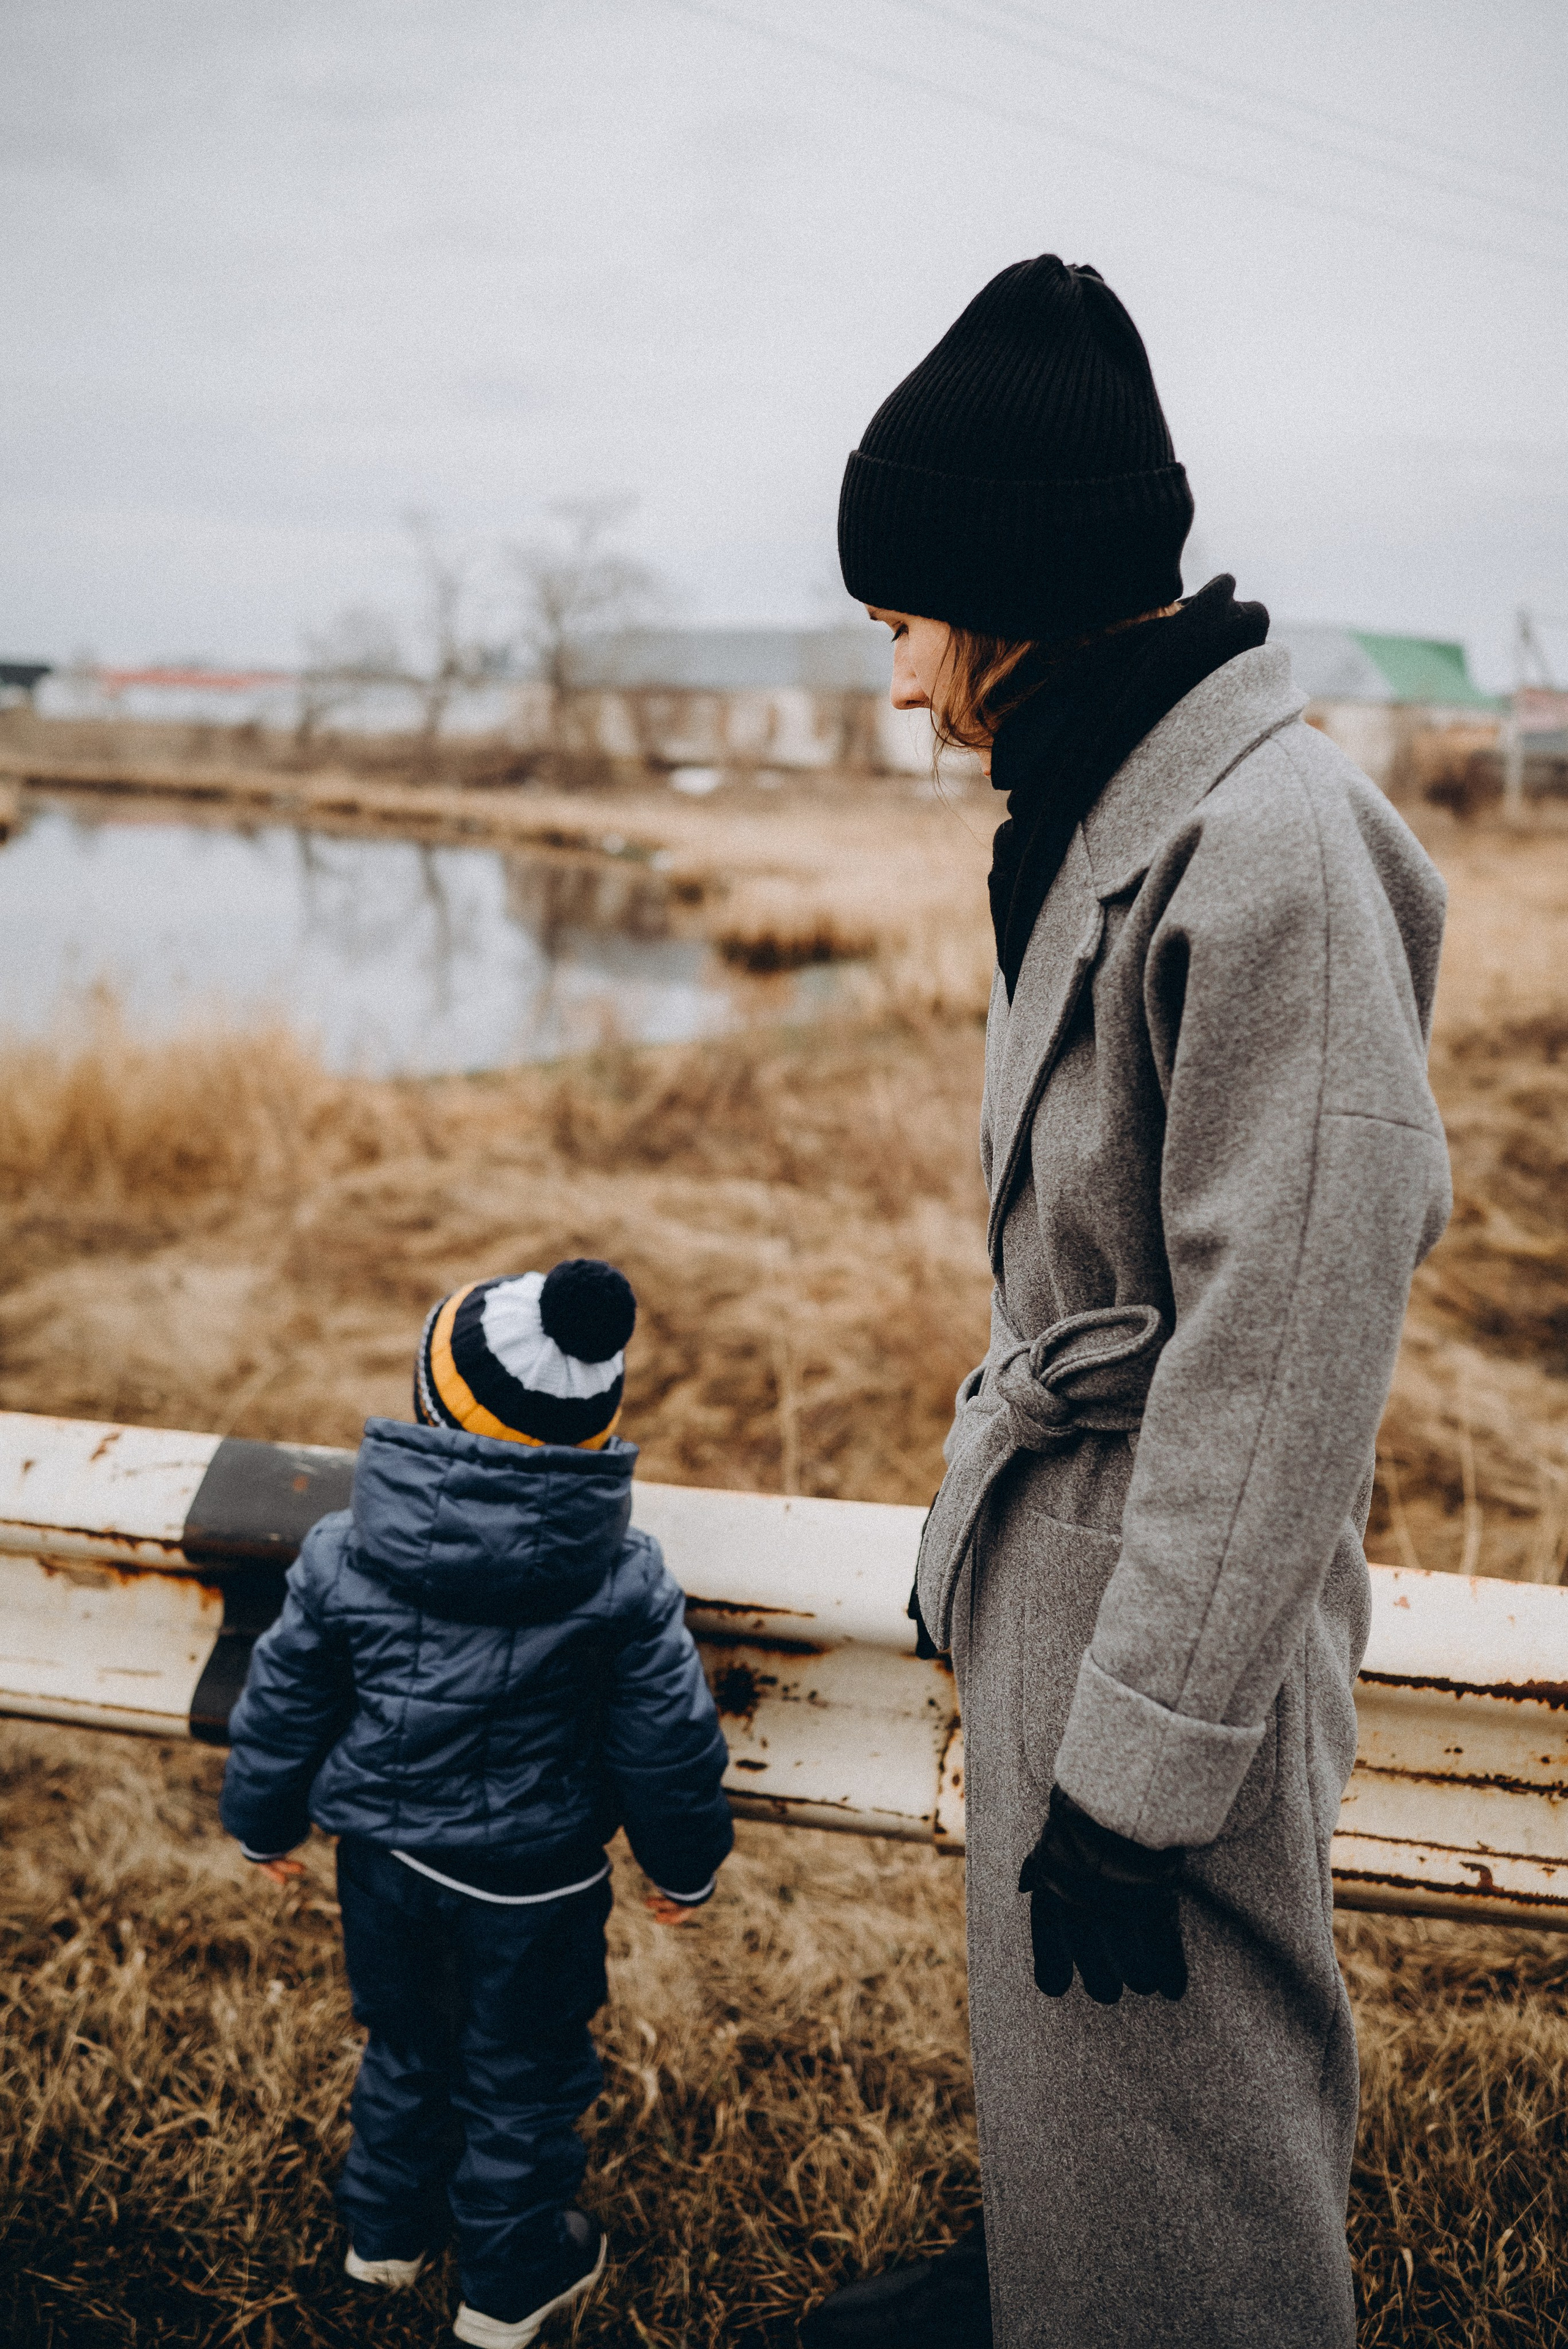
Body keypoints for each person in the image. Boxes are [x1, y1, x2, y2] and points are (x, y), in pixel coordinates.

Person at [802, 257, 1450, 2349]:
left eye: (901, 624)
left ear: (1004, 592)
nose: (899, 685)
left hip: (1181, 1637)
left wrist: (1146, 1761)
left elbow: (1288, 1337)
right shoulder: (1109, 802)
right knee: (1103, 2128)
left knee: (1196, 2163)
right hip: (1088, 1596)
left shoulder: (1272, 846)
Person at [221, 1257, 733, 2349]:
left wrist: (263, 1821)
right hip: (536, 1883)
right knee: (522, 2076)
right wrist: (684, 1865)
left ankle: (385, 2236)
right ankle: (509, 2282)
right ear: (594, 1431)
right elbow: (668, 1743)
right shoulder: (625, 1578)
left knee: (407, 2043)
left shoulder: (344, 1549)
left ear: (427, 1405)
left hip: (384, 1863)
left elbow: (284, 1699)